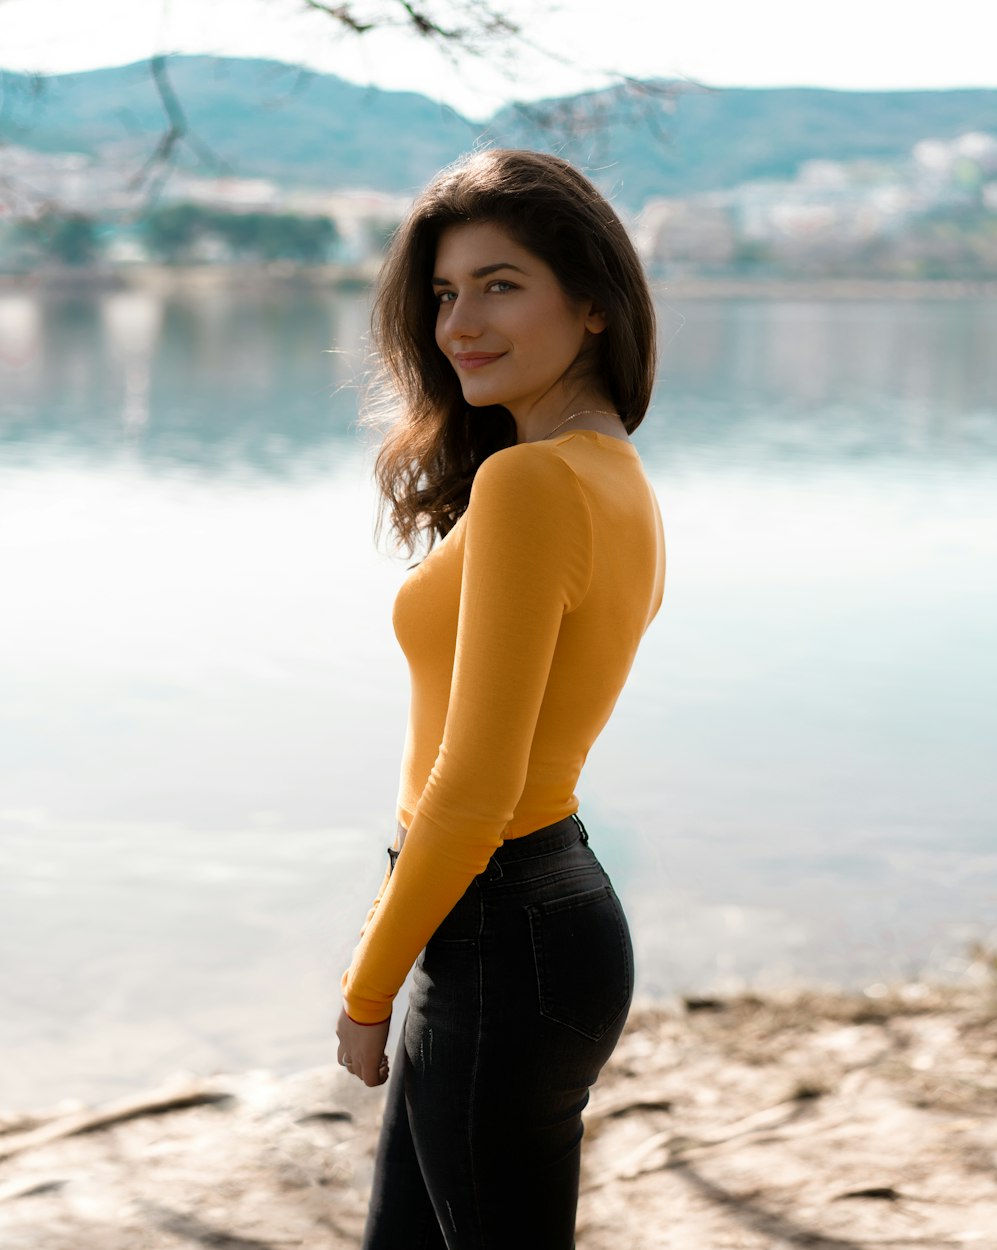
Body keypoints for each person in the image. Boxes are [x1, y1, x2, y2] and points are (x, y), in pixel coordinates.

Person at [336, 147, 666, 1248]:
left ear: (592, 308)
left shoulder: (528, 482)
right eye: (442, 292)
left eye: (500, 283)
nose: (458, 323)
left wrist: (367, 983)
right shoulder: (612, 474)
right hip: (527, 922)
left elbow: (473, 786)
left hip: (499, 930)